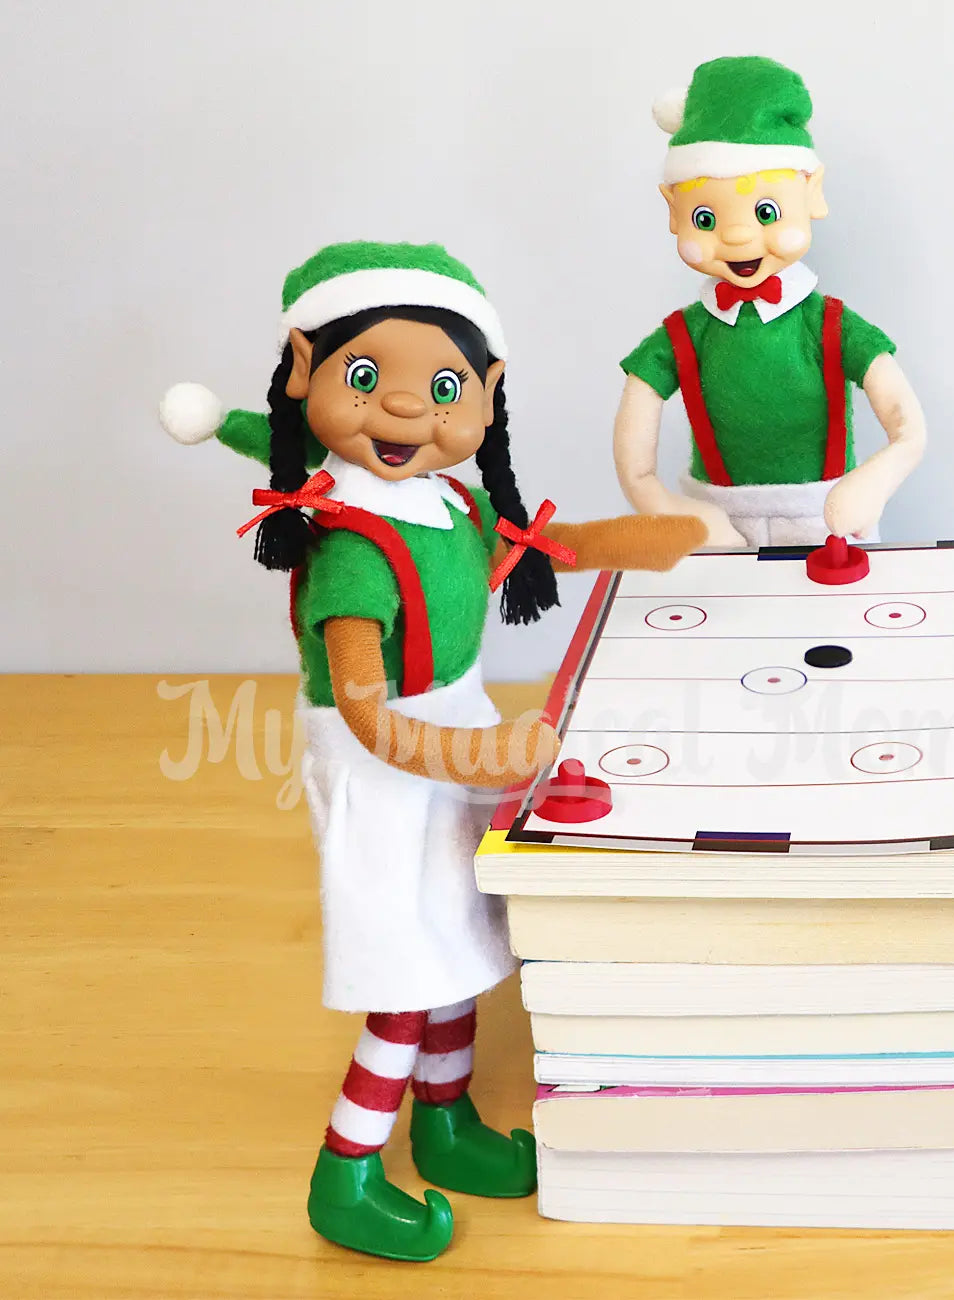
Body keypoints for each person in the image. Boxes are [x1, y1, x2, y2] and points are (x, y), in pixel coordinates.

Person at [159, 240, 704, 1261]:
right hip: (387, 775)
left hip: (450, 749)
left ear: (488, 395)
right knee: (404, 981)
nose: (407, 410)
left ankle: (443, 1123)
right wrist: (482, 751)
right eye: (364, 378)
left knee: (455, 954)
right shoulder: (351, 546)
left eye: (443, 386)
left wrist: (655, 537)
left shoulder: (450, 503)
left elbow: (549, 545)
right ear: (302, 376)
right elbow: (368, 715)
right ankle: (346, 1173)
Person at [614, 56, 927, 548]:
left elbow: (908, 429)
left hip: (827, 521)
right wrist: (676, 511)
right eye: (705, 218)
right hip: (717, 527)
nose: (738, 235)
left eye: (766, 211)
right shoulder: (684, 335)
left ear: (812, 194)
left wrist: (873, 483)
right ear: (673, 213)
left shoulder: (830, 325)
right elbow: (637, 471)